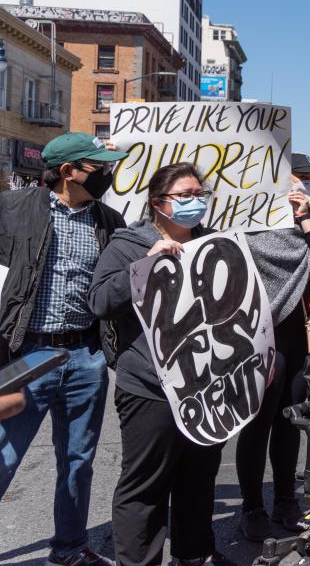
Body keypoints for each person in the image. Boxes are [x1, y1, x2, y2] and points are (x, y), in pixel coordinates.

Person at [89, 162, 232, 566]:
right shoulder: (129, 245)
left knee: (198, 479)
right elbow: (100, 302)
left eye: (199, 195)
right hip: (151, 388)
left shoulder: (214, 244)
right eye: (184, 195)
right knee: (145, 486)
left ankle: (194, 554)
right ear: (158, 203)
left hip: (205, 387)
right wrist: (145, 266)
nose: (195, 202)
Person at [0, 132, 128, 566]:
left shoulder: (110, 222)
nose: (107, 174)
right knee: (4, 457)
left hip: (86, 358)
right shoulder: (13, 211)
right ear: (68, 171)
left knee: (78, 461)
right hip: (27, 357)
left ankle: (69, 549)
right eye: (98, 168)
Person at [237, 153, 310, 541]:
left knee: (290, 423)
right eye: (301, 178)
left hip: (300, 337)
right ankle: (251, 507)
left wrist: (305, 220)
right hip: (261, 337)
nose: (308, 186)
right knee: (258, 425)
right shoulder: (250, 230)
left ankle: (285, 500)